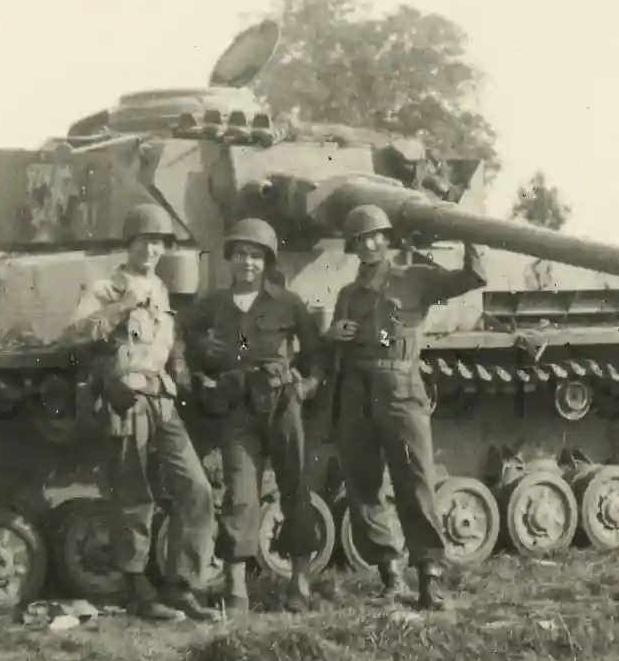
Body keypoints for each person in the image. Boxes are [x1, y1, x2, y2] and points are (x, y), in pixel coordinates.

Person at [325, 203, 487, 611]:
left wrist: (470, 233)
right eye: (362, 239)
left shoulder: (416, 278)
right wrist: (334, 334)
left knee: (414, 480)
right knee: (363, 484)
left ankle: (429, 577)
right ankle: (389, 573)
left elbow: (473, 277)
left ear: (388, 239)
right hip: (357, 388)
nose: (371, 244)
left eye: (377, 235)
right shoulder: (348, 294)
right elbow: (338, 345)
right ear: (354, 247)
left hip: (400, 385)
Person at [68, 202, 217, 623]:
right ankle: (139, 591)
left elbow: (166, 344)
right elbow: (77, 333)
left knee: (196, 489)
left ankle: (183, 585)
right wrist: (121, 305)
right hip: (127, 397)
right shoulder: (105, 289)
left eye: (159, 243)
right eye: (145, 242)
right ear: (129, 244)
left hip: (161, 397)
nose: (152, 250)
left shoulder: (161, 289)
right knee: (135, 496)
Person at [180, 217, 325, 613]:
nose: (247, 262)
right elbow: (185, 336)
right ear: (230, 259)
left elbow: (315, 356)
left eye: (255, 256)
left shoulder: (287, 302)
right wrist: (203, 375)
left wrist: (304, 387)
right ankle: (237, 590)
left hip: (281, 404)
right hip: (237, 408)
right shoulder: (213, 304)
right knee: (240, 496)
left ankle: (299, 582)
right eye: (240, 254)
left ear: (266, 262)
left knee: (294, 488)